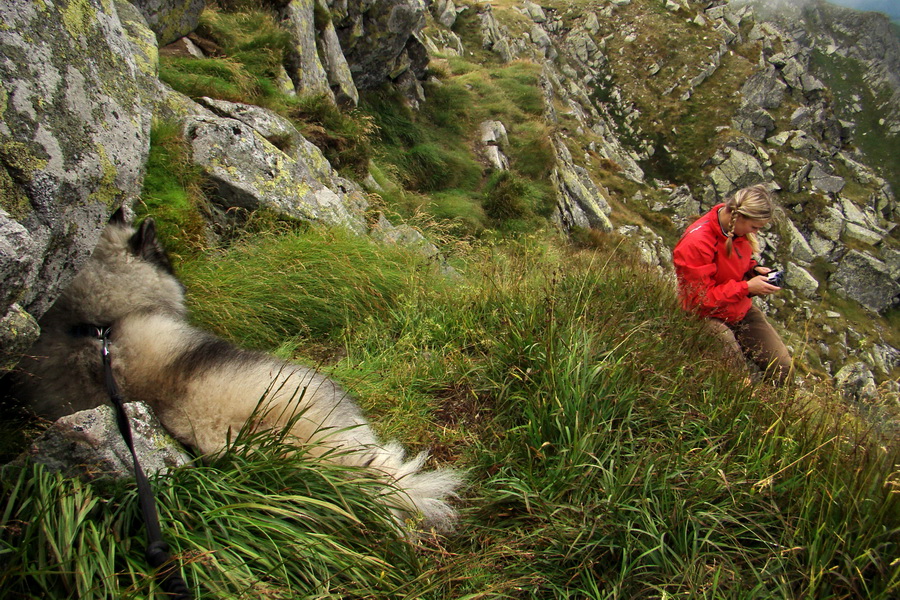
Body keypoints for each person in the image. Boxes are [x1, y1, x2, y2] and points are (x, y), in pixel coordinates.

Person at [672, 184, 792, 386]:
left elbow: (736, 263)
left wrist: (754, 270)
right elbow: (699, 300)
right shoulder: (697, 242)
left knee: (782, 368)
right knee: (739, 380)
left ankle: (775, 410)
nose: (755, 233)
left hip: (737, 308)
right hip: (705, 317)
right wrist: (747, 288)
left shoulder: (736, 231)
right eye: (754, 228)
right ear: (740, 217)